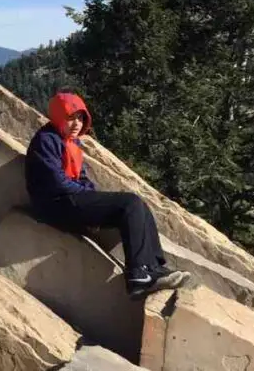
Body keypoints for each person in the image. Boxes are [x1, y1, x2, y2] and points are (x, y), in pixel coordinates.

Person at [25, 89, 191, 300]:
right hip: (54, 205)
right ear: (58, 117)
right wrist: (89, 199)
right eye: (70, 118)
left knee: (137, 204)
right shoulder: (46, 141)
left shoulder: (71, 142)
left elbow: (80, 177)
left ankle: (153, 267)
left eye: (80, 118)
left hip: (69, 200)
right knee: (128, 203)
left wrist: (92, 197)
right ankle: (138, 276)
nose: (76, 124)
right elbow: (58, 183)